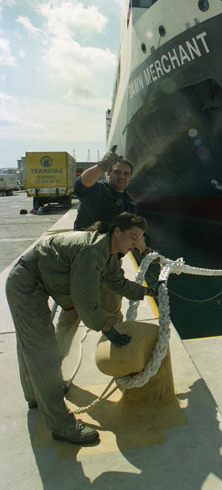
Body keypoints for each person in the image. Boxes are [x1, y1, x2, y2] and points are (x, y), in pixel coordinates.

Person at [6, 212, 156, 446]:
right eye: (133, 237)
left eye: (139, 239)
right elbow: (85, 301)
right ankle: (61, 425)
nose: (136, 244)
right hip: (26, 283)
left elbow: (115, 282)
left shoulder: (108, 252)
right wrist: (107, 329)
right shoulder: (93, 251)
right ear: (117, 231)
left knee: (34, 348)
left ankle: (36, 396)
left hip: (34, 278)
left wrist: (145, 291)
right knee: (42, 352)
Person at [55, 148, 150, 358]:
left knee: (113, 313)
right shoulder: (97, 192)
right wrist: (100, 165)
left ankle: (117, 358)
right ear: (108, 174)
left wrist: (145, 251)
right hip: (82, 263)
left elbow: (134, 233)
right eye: (117, 172)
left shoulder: (129, 202)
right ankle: (56, 361)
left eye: (126, 174)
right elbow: (80, 186)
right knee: (71, 315)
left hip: (110, 265)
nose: (122, 177)